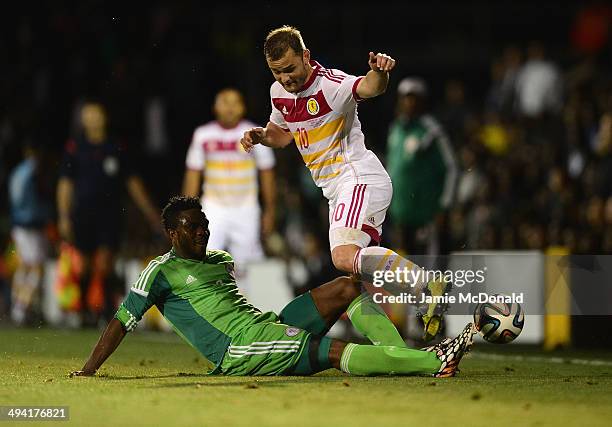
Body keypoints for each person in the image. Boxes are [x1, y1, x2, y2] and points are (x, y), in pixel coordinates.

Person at [70, 196, 475, 378]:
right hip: (239, 350)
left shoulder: (218, 261)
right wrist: (89, 369)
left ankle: (398, 359)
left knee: (347, 287)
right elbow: (122, 321)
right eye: (192, 225)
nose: (202, 230)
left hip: (262, 328)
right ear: (170, 232)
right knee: (326, 352)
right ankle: (431, 362)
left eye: (204, 222)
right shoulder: (159, 272)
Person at [240, 26, 450, 341]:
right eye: (276, 71)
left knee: (342, 256)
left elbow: (369, 88)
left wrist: (379, 72)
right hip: (338, 192)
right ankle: (393, 344)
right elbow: (282, 134)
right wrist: (262, 136)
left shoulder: (331, 85)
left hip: (357, 178)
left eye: (290, 68)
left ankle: (427, 287)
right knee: (353, 271)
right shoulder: (278, 93)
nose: (285, 78)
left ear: (306, 56)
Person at [57, 100, 161, 326]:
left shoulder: (116, 147)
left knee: (104, 263)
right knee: (83, 265)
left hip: (109, 214)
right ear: (83, 120)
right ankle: (84, 310)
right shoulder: (75, 148)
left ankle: (105, 311)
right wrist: (63, 216)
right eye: (88, 115)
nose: (92, 119)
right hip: (82, 214)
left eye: (96, 114)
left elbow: (133, 182)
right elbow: (65, 185)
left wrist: (150, 212)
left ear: (104, 118)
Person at [182, 88, 276, 296]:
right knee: (203, 259)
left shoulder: (255, 133)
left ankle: (245, 313)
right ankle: (206, 311)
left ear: (243, 107)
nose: (230, 107)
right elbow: (193, 173)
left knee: (245, 266)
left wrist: (270, 209)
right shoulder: (203, 135)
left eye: (235, 102)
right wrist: (187, 210)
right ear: (215, 107)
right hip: (213, 208)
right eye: (225, 101)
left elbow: (267, 173)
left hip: (246, 208)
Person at [386, 77, 457, 256]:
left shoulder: (432, 132)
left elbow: (451, 168)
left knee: (431, 273)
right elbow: (392, 169)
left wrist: (444, 206)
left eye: (413, 97)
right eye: (405, 97)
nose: (408, 102)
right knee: (406, 275)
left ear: (422, 101)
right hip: (401, 215)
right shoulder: (396, 129)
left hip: (426, 215)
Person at [8, 143, 53, 325]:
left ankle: (17, 308)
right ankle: (22, 309)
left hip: (18, 225)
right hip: (31, 225)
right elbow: (40, 195)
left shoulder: (17, 172)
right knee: (36, 268)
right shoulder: (34, 171)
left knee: (24, 267)